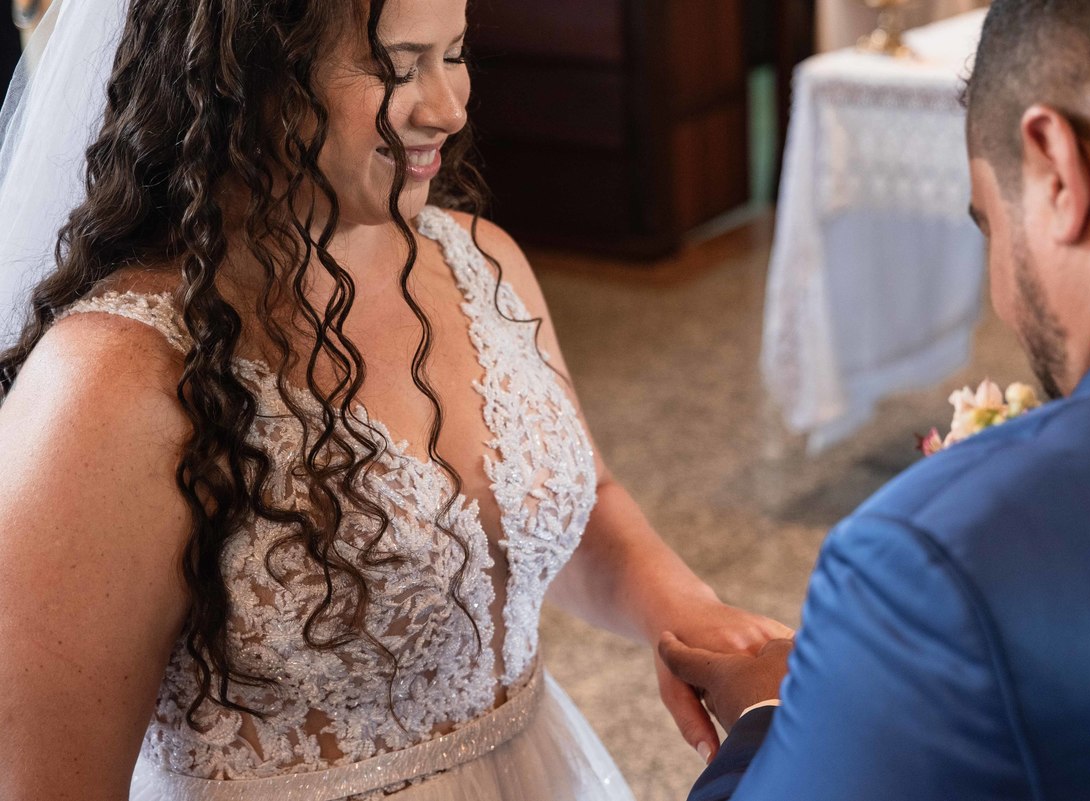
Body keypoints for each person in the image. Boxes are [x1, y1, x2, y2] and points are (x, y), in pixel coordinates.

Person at [0, 0, 791, 798]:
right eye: (398, 66)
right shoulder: (113, 380)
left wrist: (689, 614)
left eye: (456, 54)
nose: (449, 109)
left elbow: (570, 503)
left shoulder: (483, 261)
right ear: (248, 72)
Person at [660, 0, 1090, 798]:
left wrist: (771, 715)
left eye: (991, 225)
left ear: (1055, 168)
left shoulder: (933, 558)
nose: (1002, 300)